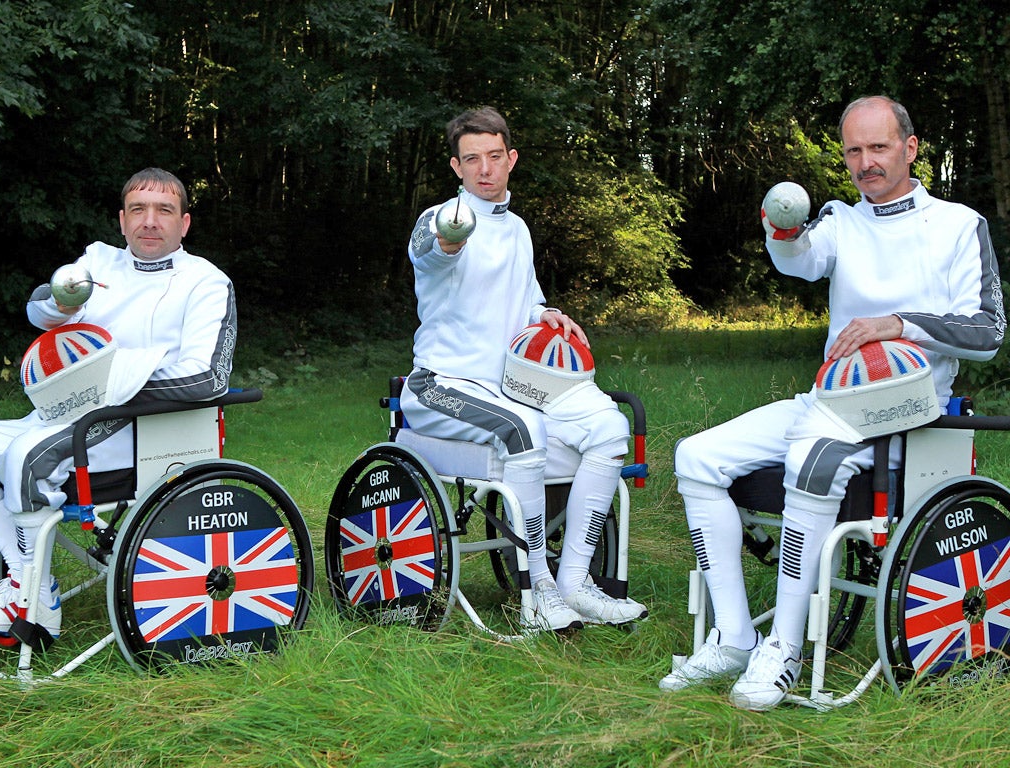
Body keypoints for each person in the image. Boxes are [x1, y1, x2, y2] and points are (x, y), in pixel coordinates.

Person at [660, 95, 1005, 710]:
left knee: (810, 462)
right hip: (832, 400)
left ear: (911, 147)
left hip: (912, 413)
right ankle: (737, 637)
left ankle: (784, 649)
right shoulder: (842, 220)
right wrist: (783, 230)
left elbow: (987, 332)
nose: (866, 162)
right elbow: (800, 260)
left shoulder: (958, 224)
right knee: (696, 457)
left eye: (878, 147)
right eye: (853, 150)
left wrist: (898, 324)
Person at [400, 107, 648, 631]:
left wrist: (545, 314)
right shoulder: (442, 218)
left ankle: (576, 582)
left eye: (494, 157)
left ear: (511, 159)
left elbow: (523, 300)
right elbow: (431, 251)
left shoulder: (517, 229)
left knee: (609, 427)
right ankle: (539, 592)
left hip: (514, 387)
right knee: (522, 428)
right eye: (472, 160)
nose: (484, 169)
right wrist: (448, 239)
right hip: (440, 385)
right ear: (456, 166)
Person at [0, 167, 237, 642]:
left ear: (184, 223)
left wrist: (113, 390)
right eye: (138, 209)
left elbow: (207, 377)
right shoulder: (98, 264)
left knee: (24, 457)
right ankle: (29, 584)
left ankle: (32, 600)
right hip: (68, 417)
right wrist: (57, 305)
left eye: (164, 210)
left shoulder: (206, 281)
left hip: (143, 430)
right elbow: (42, 309)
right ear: (122, 220)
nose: (150, 221)